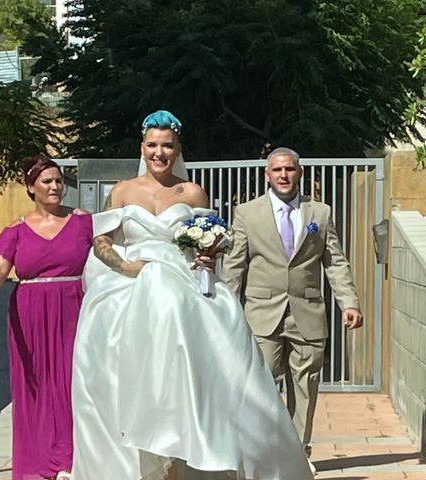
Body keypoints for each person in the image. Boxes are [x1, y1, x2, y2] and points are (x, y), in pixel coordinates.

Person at [70, 111, 313, 479]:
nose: (159, 153)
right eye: (152, 145)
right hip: (132, 280)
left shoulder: (193, 191)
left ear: (178, 149)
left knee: (215, 353)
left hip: (182, 277)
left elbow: (213, 238)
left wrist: (208, 252)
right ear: (142, 147)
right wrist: (127, 268)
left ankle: (192, 449)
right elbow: (101, 241)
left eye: (167, 145)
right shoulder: (122, 191)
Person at [222, 146, 363, 474]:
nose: (283, 175)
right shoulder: (247, 213)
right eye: (277, 170)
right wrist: (225, 308)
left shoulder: (321, 213)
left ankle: (298, 455)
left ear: (299, 173)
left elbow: (335, 262)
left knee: (305, 386)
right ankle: (262, 452)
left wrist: (350, 302)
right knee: (260, 386)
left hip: (308, 313)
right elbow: (234, 266)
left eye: (289, 169)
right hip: (262, 314)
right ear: (267, 175)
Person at [0, 155, 92, 480]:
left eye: (58, 181)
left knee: (73, 382)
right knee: (36, 386)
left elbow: (107, 253)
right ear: (31, 187)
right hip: (30, 315)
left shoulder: (83, 221)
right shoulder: (16, 230)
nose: (55, 187)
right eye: (47, 181)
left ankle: (71, 460)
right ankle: (37, 465)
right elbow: (0, 265)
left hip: (74, 309)